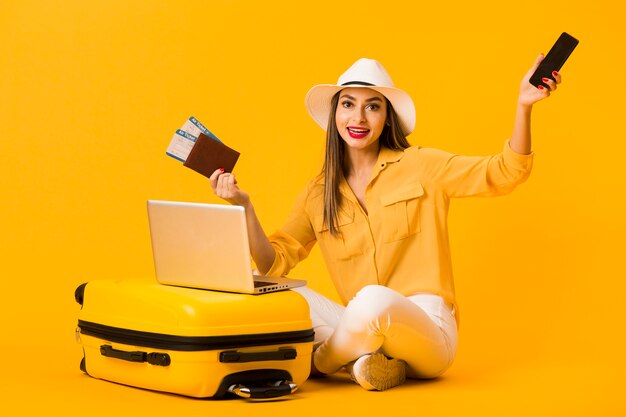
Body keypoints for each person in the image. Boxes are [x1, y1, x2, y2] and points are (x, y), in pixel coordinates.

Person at [209, 57, 561, 391]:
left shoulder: (421, 165)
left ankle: (322, 362)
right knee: (268, 287)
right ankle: (365, 363)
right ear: (335, 114)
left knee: (373, 300)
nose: (358, 117)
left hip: (427, 332)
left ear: (386, 117)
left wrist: (523, 105)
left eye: (372, 106)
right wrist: (244, 206)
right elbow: (273, 262)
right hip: (359, 322)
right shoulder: (319, 192)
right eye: (347, 104)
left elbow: (506, 172)